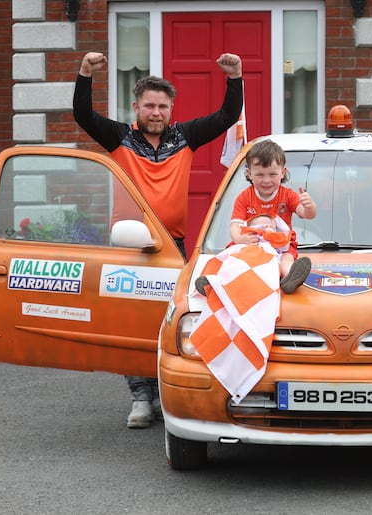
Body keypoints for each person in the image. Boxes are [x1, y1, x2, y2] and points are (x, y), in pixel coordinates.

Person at [73, 51, 243, 429]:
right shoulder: (119, 137)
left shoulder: (186, 137)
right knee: (131, 322)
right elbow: (83, 116)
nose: (155, 111)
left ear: (171, 109)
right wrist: (85, 74)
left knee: (170, 321)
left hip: (174, 246)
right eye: (149, 105)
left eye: (162, 106)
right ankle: (140, 398)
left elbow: (227, 117)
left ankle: (167, 394)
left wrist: (235, 78)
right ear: (136, 106)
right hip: (129, 246)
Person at [230, 139, 317, 293]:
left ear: (282, 173)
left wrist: (309, 206)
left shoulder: (288, 196)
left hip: (281, 245)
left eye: (272, 174)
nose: (266, 180)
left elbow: (307, 215)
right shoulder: (244, 197)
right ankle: (214, 281)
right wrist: (240, 239)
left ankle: (289, 277)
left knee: (287, 259)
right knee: (231, 257)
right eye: (260, 175)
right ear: (249, 174)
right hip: (251, 244)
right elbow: (235, 226)